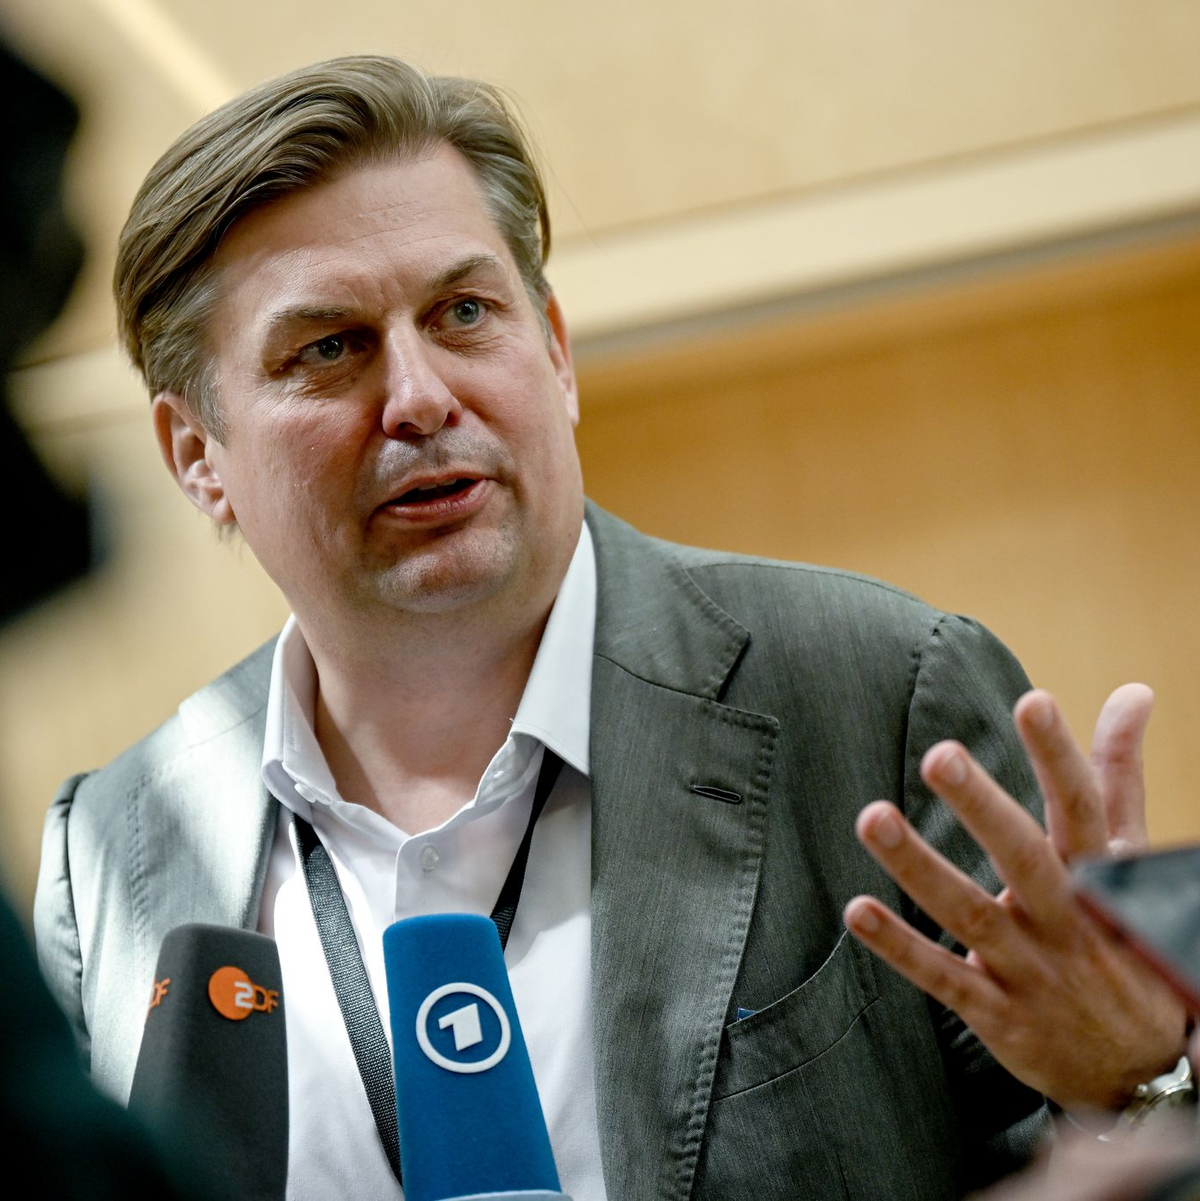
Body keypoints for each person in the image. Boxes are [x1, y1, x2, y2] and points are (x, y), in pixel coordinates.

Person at [29, 54, 1183, 1200]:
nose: (422, 396)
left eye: (465, 312)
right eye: (330, 347)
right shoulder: (112, 849)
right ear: (196, 455)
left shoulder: (877, 692)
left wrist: (1141, 1079)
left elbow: (1127, 1143)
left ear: (558, 353)